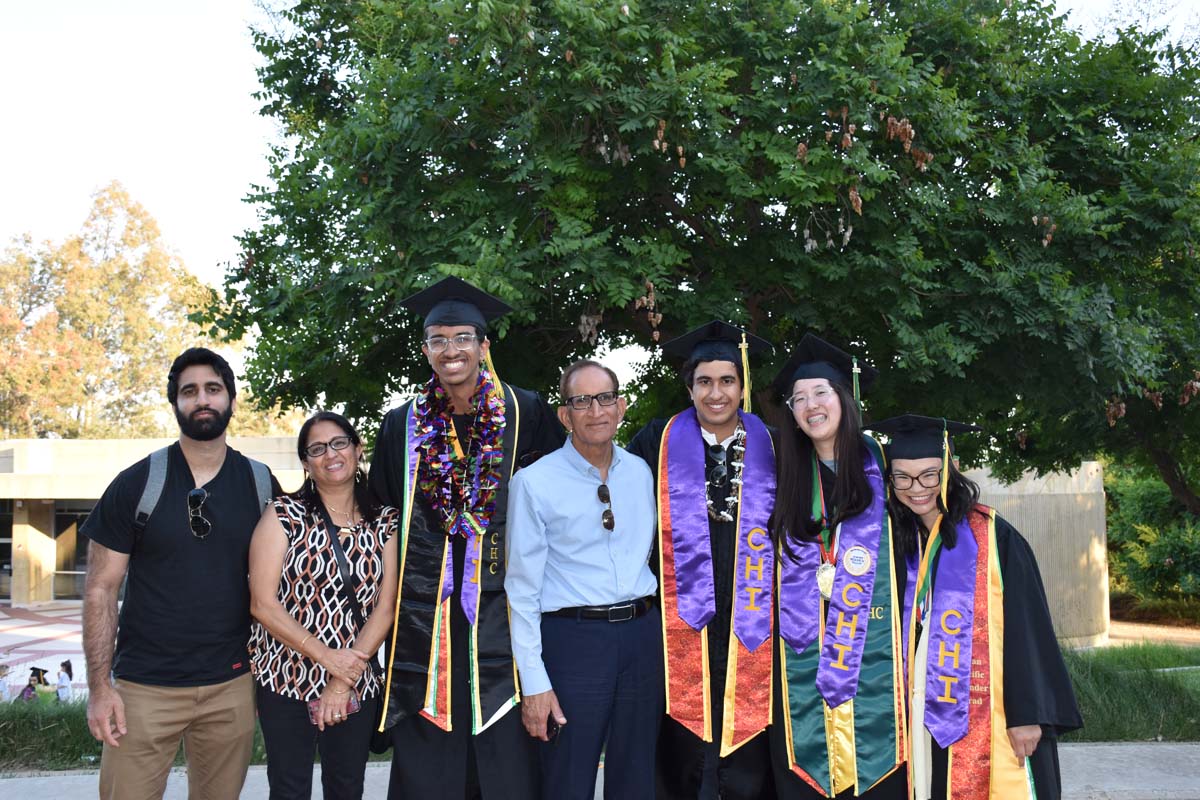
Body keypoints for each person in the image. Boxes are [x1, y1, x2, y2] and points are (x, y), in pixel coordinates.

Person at [368, 277, 565, 800]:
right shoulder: (401, 425)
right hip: (426, 615)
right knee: (432, 755)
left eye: (461, 338)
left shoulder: (526, 412)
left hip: (505, 607)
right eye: (437, 339)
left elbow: (557, 505)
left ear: (483, 346)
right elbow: (385, 516)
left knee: (505, 751)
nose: (449, 350)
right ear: (427, 349)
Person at [80, 347, 280, 800]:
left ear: (231, 399)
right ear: (175, 404)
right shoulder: (137, 483)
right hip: (143, 690)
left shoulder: (260, 483)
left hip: (231, 685)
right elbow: (100, 590)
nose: (202, 399)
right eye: (189, 391)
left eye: (213, 389)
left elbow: (286, 583)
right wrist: (99, 688)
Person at [866, 414, 1083, 800]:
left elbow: (1027, 630)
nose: (916, 488)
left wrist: (1027, 715)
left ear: (952, 468)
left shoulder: (995, 538)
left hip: (992, 714)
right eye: (902, 477)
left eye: (929, 475)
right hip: (917, 714)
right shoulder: (893, 542)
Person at [625, 321, 777, 799]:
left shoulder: (774, 444)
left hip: (754, 609)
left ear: (743, 385)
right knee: (680, 734)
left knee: (752, 733)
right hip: (678, 614)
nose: (717, 393)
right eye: (705, 382)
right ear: (688, 387)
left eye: (727, 381)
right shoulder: (657, 441)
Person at [506, 359, 661, 799]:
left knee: (636, 777)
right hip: (572, 643)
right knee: (567, 778)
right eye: (582, 401)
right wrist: (534, 683)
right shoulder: (534, 483)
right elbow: (522, 592)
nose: (596, 411)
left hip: (641, 638)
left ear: (622, 405)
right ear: (564, 414)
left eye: (606, 398)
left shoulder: (641, 473)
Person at [768, 334, 907, 799]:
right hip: (806, 658)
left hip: (881, 656)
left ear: (844, 398)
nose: (811, 406)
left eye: (821, 393)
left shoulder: (885, 470)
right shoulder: (784, 479)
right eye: (798, 399)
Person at [249, 411, 400, 799]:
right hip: (284, 677)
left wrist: (341, 679)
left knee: (346, 788)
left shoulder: (384, 522)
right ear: (305, 463)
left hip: (354, 682)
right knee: (288, 789)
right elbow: (263, 604)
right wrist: (328, 658)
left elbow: (387, 607)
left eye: (339, 443)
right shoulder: (283, 515)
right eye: (317, 449)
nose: (330, 454)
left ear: (357, 448)